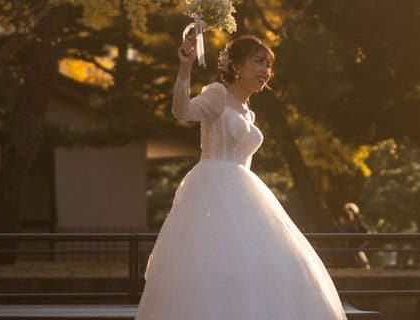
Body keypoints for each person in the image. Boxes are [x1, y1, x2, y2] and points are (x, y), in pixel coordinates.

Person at [135, 34, 347, 320]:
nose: (265, 71)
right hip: (211, 190)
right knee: (212, 261)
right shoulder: (218, 95)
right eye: (258, 62)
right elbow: (181, 110)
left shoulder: (250, 113)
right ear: (236, 66)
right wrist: (185, 66)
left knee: (257, 264)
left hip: (245, 194)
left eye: (268, 65)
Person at [338, 203, 371, 270]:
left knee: (363, 264)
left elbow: (366, 231)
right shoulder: (351, 222)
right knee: (362, 264)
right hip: (352, 246)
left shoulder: (356, 222)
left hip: (355, 246)